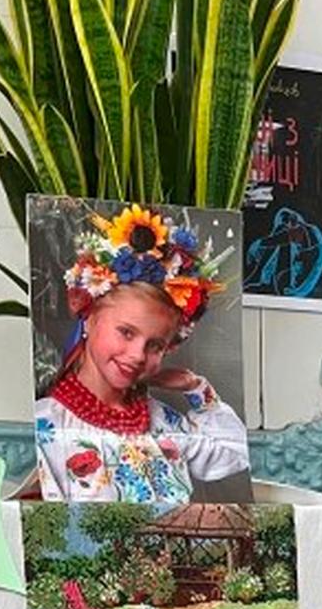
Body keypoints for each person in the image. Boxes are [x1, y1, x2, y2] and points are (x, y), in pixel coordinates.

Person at [33, 205, 251, 506]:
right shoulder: (47, 424)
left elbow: (233, 454)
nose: (137, 355)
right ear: (89, 317)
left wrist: (197, 390)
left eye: (155, 345)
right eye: (126, 332)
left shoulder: (163, 422)